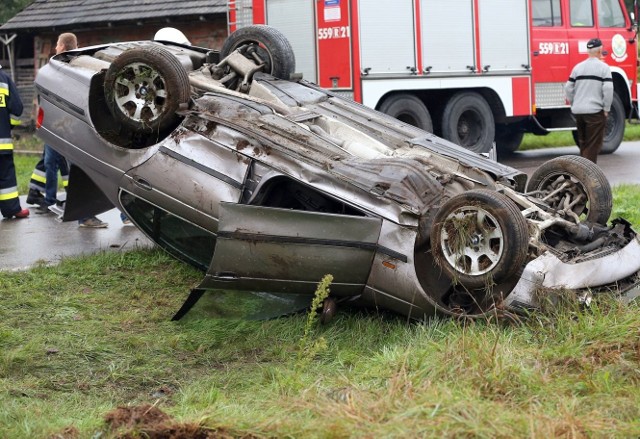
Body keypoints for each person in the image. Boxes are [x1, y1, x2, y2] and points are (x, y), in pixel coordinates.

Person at [37, 32, 108, 228]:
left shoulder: (68, 67)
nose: (55, 49)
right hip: (61, 125)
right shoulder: (72, 66)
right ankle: (52, 202)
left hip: (65, 127)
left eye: (57, 45)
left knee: (78, 169)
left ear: (63, 46)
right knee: (55, 164)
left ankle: (84, 215)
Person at [564, 38, 614, 164]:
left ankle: (582, 174)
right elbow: (608, 89)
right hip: (595, 112)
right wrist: (606, 109)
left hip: (579, 111)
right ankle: (588, 176)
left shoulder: (578, 68)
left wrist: (574, 102)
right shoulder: (604, 68)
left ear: (588, 51)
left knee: (584, 143)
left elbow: (568, 87)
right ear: (600, 51)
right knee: (593, 146)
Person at [0, 63, 29, 219]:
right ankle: (11, 209)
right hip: (2, 141)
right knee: (6, 176)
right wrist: (7, 125)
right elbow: (17, 108)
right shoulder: (4, 78)